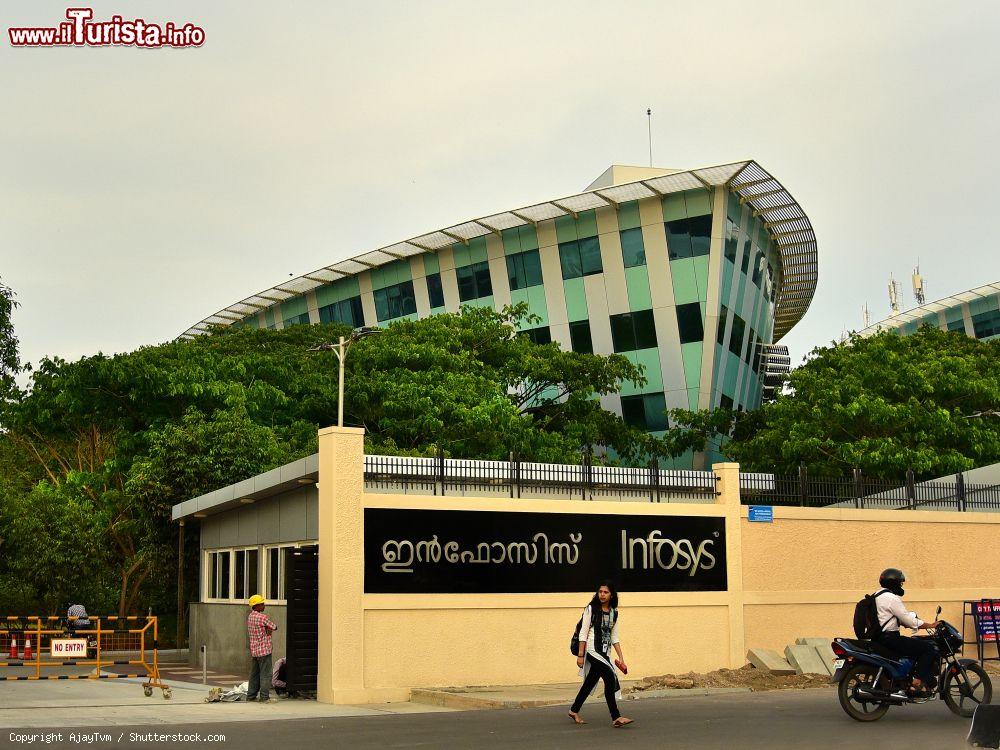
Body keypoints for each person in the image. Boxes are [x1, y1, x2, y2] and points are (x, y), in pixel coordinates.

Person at [568, 581, 633, 728]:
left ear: (612, 595)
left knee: (590, 682)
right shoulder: (591, 609)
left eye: (606, 592)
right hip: (591, 650)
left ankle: (574, 710)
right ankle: (616, 717)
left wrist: (621, 656)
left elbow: (614, 637)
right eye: (600, 592)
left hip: (604, 652)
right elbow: (583, 633)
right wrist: (580, 655)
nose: (602, 595)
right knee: (610, 677)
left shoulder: (614, 612)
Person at [873, 568, 941, 697]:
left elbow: (896, 618)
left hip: (880, 638)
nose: (901, 586)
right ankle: (916, 684)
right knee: (928, 649)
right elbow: (908, 620)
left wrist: (912, 620)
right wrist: (930, 625)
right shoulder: (891, 598)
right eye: (900, 583)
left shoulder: (877, 596)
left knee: (914, 645)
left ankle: (907, 679)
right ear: (893, 583)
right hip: (890, 638)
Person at [246, 594, 278, 703]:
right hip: (264, 650)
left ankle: (250, 696)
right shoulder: (262, 617)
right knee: (266, 674)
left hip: (254, 651)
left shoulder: (250, 617)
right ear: (257, 605)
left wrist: (265, 629)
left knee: (254, 674)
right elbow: (274, 626)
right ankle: (264, 697)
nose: (264, 605)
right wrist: (267, 629)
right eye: (262, 604)